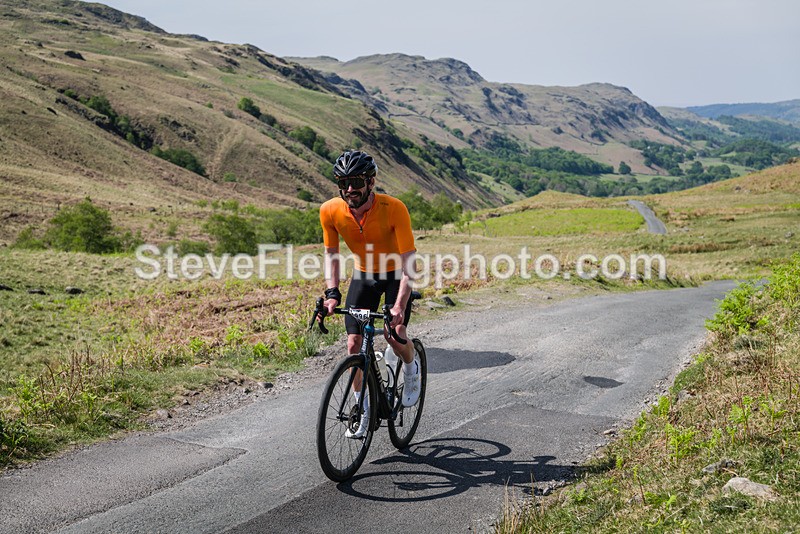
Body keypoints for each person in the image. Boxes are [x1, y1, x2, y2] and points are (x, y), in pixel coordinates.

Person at [319, 150, 421, 438]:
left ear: (371, 181)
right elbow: (332, 254)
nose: (350, 189)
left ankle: (411, 367)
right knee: (353, 345)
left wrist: (400, 305)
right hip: (364, 275)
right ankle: (362, 411)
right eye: (344, 182)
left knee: (394, 332)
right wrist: (331, 293)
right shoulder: (330, 210)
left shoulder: (394, 208)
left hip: (396, 274)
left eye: (356, 181)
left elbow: (409, 260)